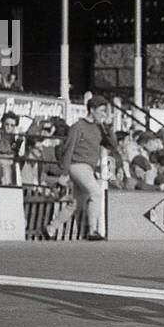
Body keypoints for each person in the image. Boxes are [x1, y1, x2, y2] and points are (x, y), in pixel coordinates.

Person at [43, 95, 119, 241]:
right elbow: (68, 150)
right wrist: (64, 173)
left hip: (88, 168)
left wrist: (108, 127)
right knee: (96, 193)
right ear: (92, 110)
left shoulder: (99, 128)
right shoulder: (77, 127)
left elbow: (112, 145)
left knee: (76, 204)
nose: (104, 114)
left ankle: (51, 228)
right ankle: (92, 230)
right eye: (102, 111)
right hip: (77, 166)